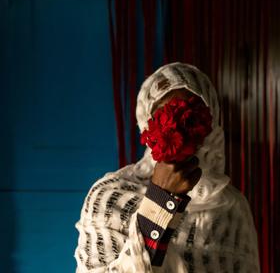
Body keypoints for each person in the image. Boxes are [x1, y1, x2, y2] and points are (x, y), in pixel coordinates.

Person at [74, 62, 260, 272]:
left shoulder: (231, 208)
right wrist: (161, 200)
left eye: (191, 119)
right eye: (166, 119)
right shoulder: (111, 198)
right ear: (147, 124)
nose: (181, 133)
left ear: (211, 125)